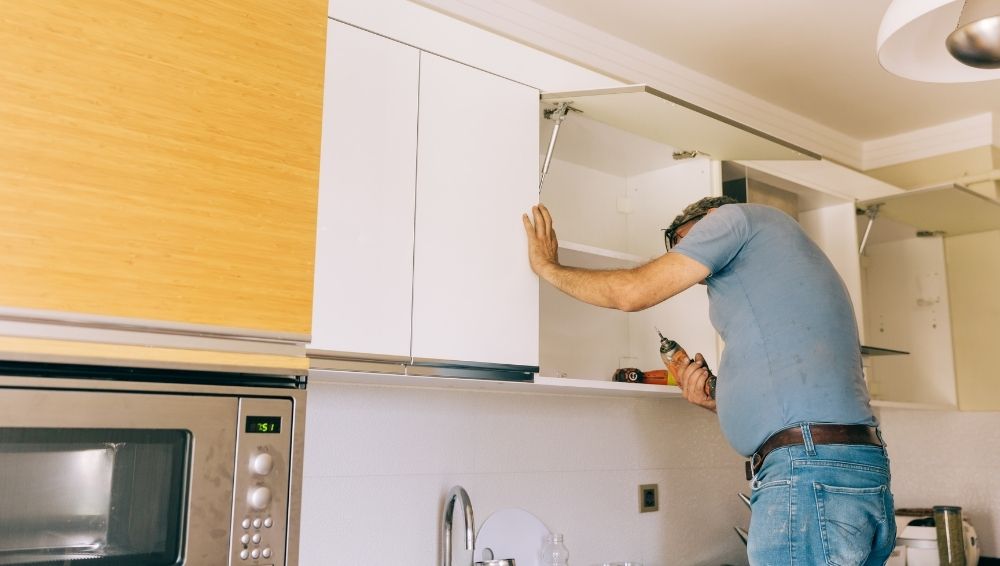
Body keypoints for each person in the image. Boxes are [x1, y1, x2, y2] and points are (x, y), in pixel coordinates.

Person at [522, 196, 896, 566]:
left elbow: (631, 293)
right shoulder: (787, 253)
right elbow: (795, 384)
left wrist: (546, 265)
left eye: (687, 243)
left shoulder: (733, 220)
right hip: (850, 469)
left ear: (713, 217)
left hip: (808, 470)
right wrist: (720, 399)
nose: (695, 265)